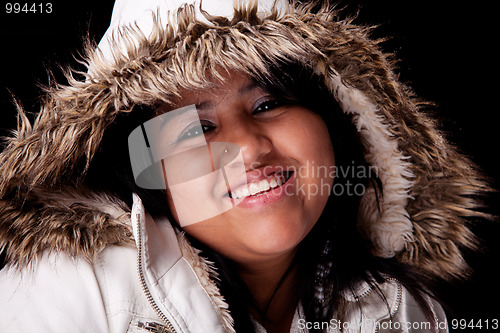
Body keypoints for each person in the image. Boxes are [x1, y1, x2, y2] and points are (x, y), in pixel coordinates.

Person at [0, 0, 490, 332]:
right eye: (195, 130)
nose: (250, 150)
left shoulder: (406, 312)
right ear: (146, 171)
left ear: (339, 122)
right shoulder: (73, 288)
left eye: (268, 104)